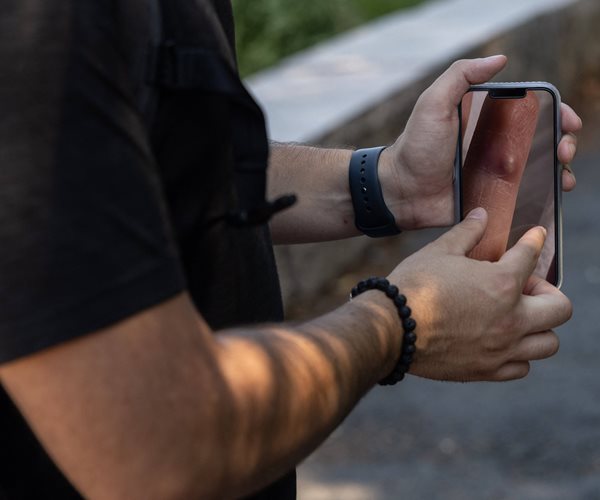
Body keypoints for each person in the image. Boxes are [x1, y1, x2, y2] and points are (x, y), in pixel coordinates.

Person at [0, 1, 581, 499]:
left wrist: (388, 182)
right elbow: (157, 439)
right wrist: (404, 321)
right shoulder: (47, 24)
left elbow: (158, 165)